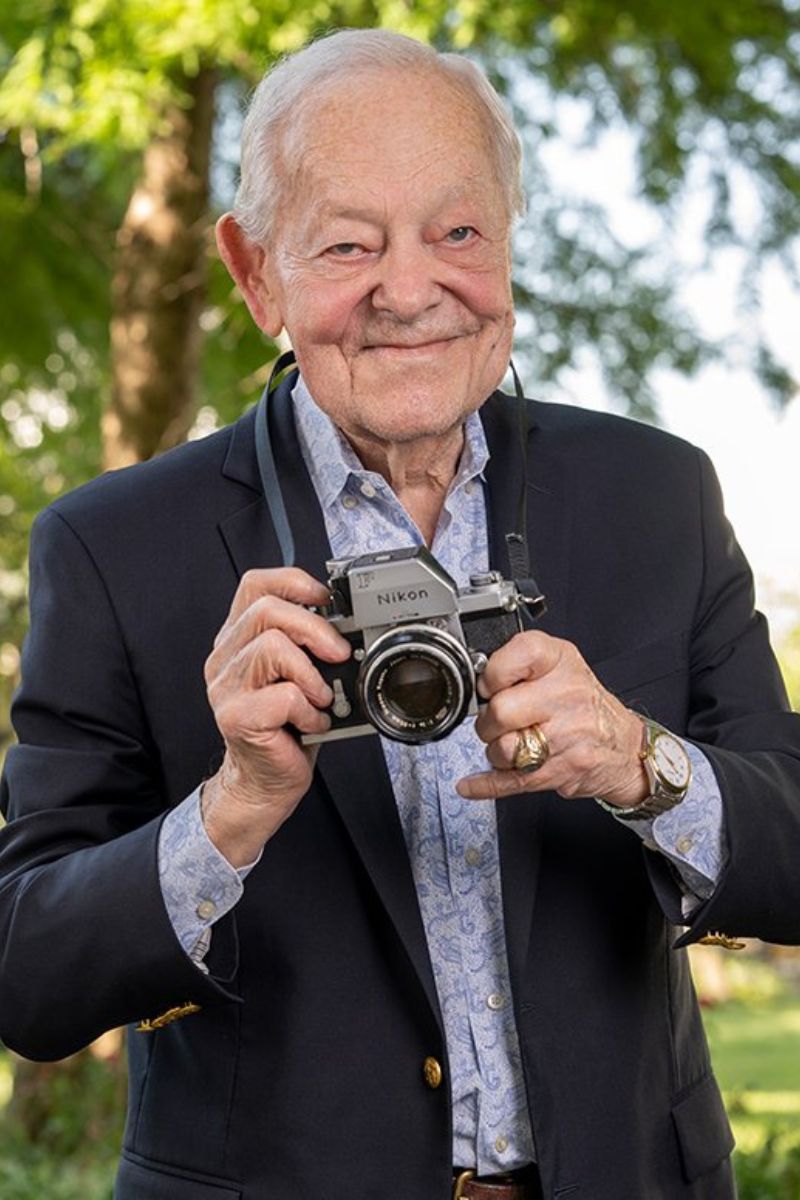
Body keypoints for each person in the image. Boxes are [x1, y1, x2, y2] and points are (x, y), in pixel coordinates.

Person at [1, 27, 799, 1200]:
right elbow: (27, 981)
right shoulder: (113, 547)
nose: (411, 290)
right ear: (254, 273)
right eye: (347, 244)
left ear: (508, 241)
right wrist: (228, 812)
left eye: (457, 232)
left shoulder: (657, 494)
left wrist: (644, 766)